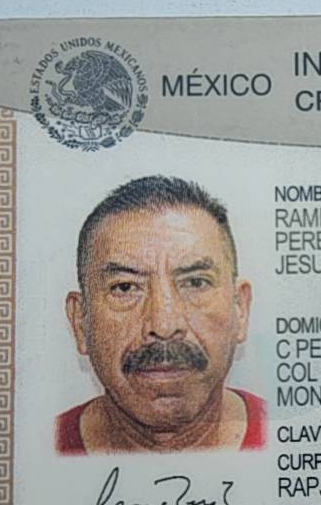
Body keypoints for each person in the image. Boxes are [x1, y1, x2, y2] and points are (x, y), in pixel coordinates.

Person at [56, 175, 266, 453]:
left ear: (240, 309)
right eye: (125, 287)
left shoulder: (289, 437)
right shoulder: (37, 450)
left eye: (195, 283)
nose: (164, 325)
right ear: (80, 322)